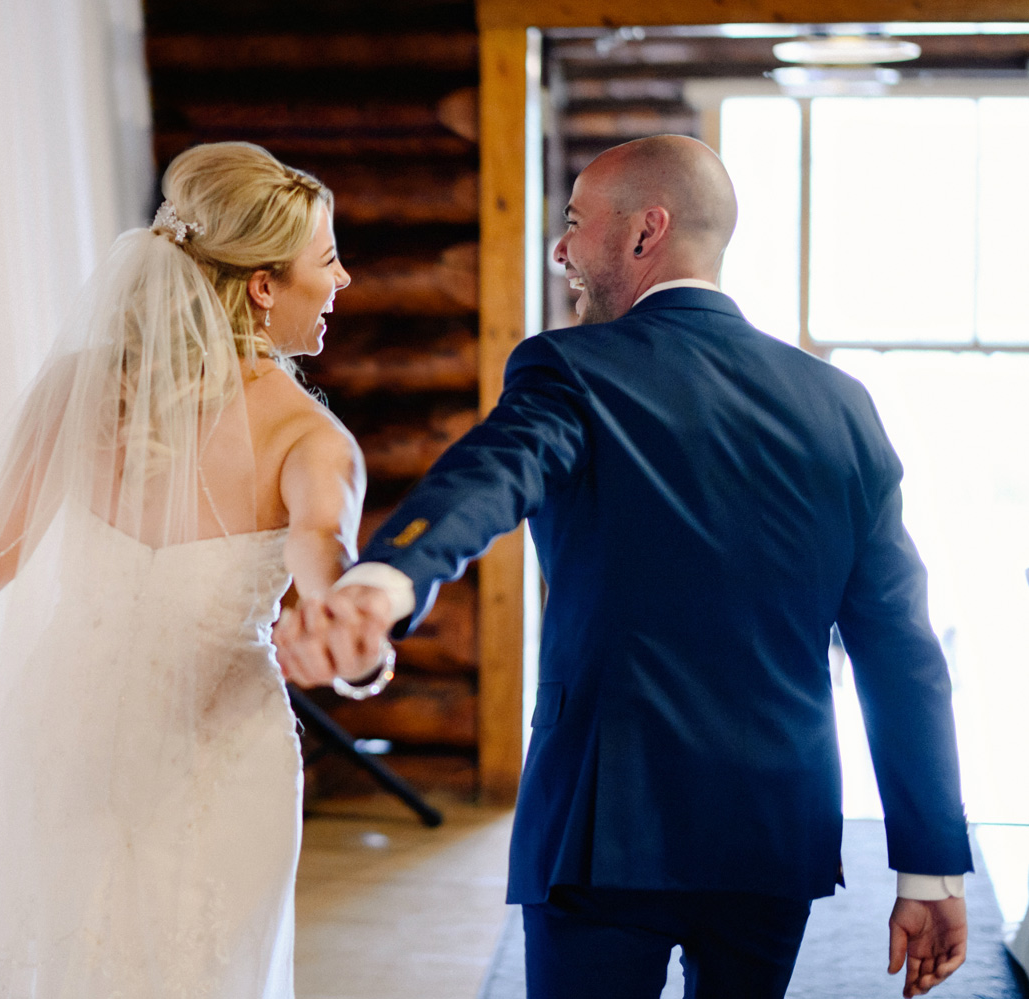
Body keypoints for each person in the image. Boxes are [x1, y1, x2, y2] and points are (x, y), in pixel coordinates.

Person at [276, 135, 972, 999]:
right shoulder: (840, 405)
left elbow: (495, 470)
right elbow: (901, 649)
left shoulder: (571, 369)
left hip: (606, 819)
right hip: (772, 824)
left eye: (574, 225)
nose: (561, 250)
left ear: (647, 232)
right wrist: (929, 869)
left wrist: (387, 580)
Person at [0, 141, 359, 997]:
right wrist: (335, 609)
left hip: (68, 730)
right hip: (209, 754)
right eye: (330, 258)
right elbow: (321, 543)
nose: (343, 280)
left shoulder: (84, 386)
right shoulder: (313, 439)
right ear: (263, 285)